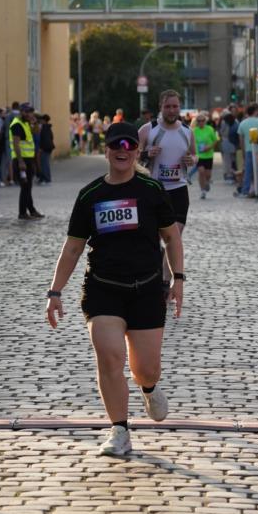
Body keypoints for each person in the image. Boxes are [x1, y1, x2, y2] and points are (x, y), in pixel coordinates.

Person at [46, 121, 184, 458]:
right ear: (106, 150)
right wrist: (54, 292)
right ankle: (119, 430)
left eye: (128, 146)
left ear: (136, 151)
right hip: (103, 289)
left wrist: (178, 279)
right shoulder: (91, 196)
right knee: (110, 357)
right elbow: (73, 248)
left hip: (147, 289)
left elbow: (171, 237)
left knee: (145, 368)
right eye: (115, 146)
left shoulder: (151, 190)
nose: (122, 151)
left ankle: (149, 388)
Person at [138, 89, 195, 280]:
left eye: (175, 106)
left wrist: (191, 159)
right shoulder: (148, 130)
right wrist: (146, 154)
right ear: (160, 108)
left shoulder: (187, 131)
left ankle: (164, 279)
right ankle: (157, 266)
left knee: (174, 237)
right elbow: (130, 156)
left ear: (179, 107)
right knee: (154, 238)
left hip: (179, 190)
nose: (172, 110)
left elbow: (194, 154)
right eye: (167, 106)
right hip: (154, 190)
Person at [9, 102, 44, 220]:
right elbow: (16, 144)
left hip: (29, 159)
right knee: (25, 187)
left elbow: (36, 133)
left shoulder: (26, 123)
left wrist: (34, 123)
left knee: (28, 186)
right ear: (22, 112)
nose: (30, 114)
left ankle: (31, 210)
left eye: (31, 112)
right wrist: (20, 162)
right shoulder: (16, 125)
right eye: (28, 112)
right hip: (21, 160)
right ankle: (22, 213)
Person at [192, 111, 219, 199]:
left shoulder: (210, 129)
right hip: (199, 155)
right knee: (201, 171)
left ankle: (207, 182)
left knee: (208, 174)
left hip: (209, 155)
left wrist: (209, 147)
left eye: (202, 120)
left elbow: (216, 140)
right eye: (199, 121)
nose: (200, 122)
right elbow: (191, 143)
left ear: (205, 121)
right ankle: (203, 191)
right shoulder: (194, 131)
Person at [37, 114, 55, 184]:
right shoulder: (48, 127)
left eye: (41, 120)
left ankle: (46, 178)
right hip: (48, 147)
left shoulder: (44, 128)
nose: (40, 121)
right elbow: (51, 137)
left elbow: (44, 139)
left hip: (45, 148)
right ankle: (47, 178)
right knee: (46, 163)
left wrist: (41, 148)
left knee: (44, 163)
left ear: (44, 120)